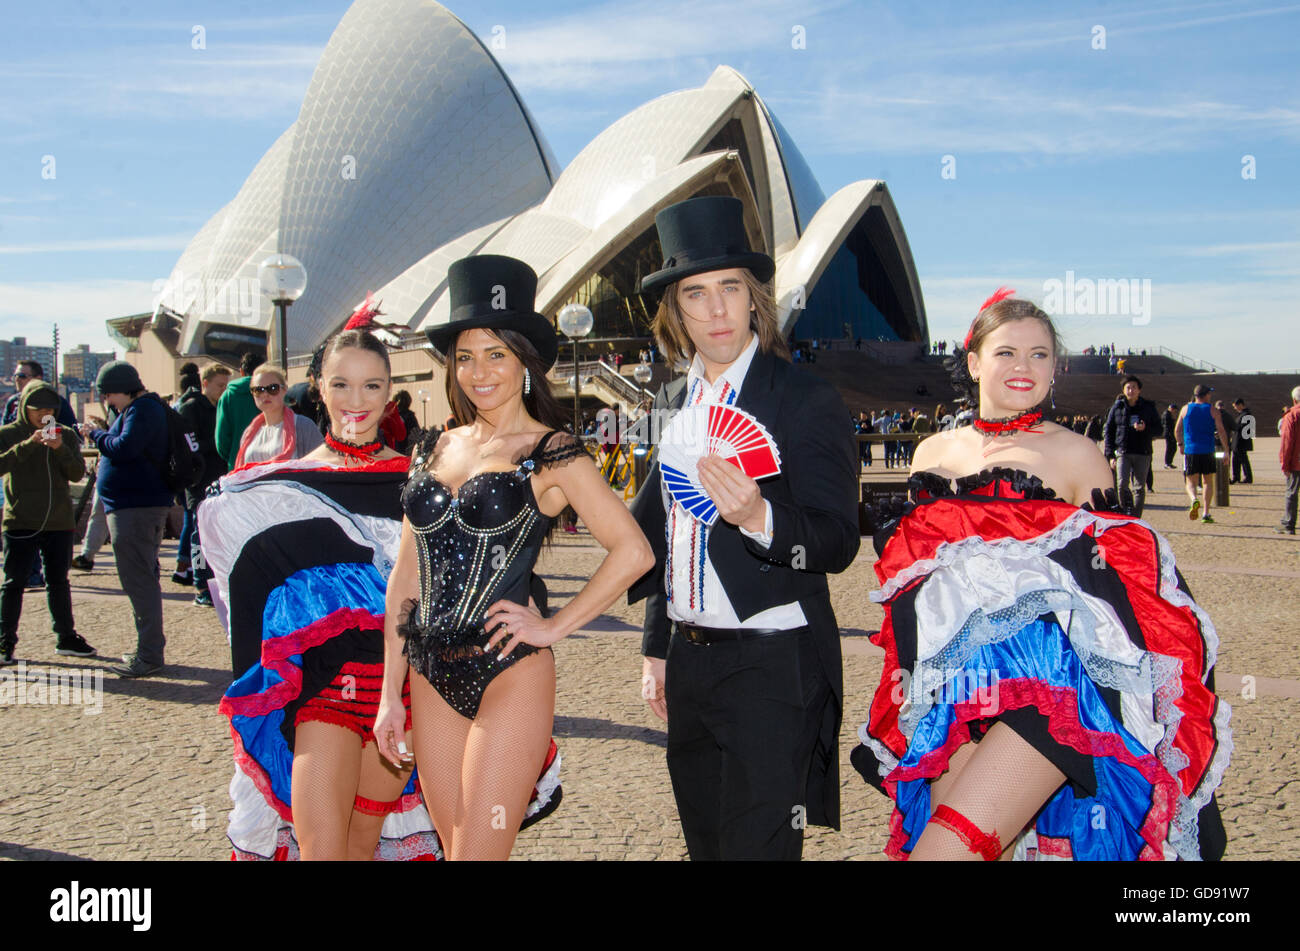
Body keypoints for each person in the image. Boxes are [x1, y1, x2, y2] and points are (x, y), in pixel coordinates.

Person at [852, 288, 1230, 861]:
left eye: (1039, 355)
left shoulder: (1079, 456)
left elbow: (1125, 583)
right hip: (953, 694)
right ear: (974, 361)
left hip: (1052, 690)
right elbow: (912, 593)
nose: (1023, 367)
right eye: (1006, 353)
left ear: (1056, 369)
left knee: (942, 853)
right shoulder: (932, 454)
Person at [374, 254, 653, 860]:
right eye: (466, 355)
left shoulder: (551, 452)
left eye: (497, 354)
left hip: (510, 670)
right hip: (428, 670)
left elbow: (633, 550)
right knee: (455, 850)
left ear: (526, 362)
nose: (480, 372)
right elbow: (404, 579)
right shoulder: (433, 447)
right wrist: (389, 694)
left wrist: (553, 624)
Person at [627, 196, 860, 860]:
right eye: (696, 294)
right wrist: (656, 647)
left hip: (772, 661)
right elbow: (667, 533)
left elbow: (839, 540)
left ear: (754, 298)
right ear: (676, 311)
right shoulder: (671, 402)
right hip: (689, 661)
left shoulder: (806, 399)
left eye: (730, 287)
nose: (717, 309)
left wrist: (759, 516)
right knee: (707, 847)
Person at [201, 327, 452, 860]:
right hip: (322, 695)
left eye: (371, 386)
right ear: (317, 386)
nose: (355, 402)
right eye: (341, 384)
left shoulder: (424, 483)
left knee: (362, 846)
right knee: (322, 849)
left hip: (401, 698)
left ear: (390, 391)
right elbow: (247, 592)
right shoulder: (278, 491)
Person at [77, 361, 174, 678]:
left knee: (139, 581)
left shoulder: (141, 410)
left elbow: (125, 448)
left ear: (120, 389)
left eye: (108, 395)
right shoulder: (139, 409)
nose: (107, 402)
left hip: (136, 508)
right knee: (141, 578)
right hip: (136, 506)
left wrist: (97, 434)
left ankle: (148, 655)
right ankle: (148, 648)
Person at [0, 381, 94, 665]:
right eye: (37, 409)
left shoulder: (64, 433)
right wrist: (28, 445)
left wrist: (59, 448)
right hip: (21, 519)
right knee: (14, 582)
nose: (45, 414)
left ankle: (66, 637)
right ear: (24, 409)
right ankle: (5, 642)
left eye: (50, 408)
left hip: (59, 521)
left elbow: (77, 473)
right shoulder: (8, 434)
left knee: (58, 582)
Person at [178, 363, 231, 606]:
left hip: (219, 479)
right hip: (198, 481)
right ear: (206, 384)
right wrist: (220, 441)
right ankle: (200, 582)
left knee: (218, 533)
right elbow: (191, 446)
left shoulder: (222, 407)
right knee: (199, 536)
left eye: (226, 385)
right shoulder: (190, 409)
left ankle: (216, 580)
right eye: (220, 385)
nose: (224, 390)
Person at [232, 365, 323, 468]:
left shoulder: (303, 426)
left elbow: (320, 465)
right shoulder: (249, 433)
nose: (265, 394)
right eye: (259, 390)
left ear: (284, 390)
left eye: (273, 388)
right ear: (252, 394)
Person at [1103, 375, 1161, 518]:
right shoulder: (1117, 407)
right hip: (1123, 451)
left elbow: (1159, 429)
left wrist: (1145, 429)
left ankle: (1136, 517)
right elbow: (1108, 431)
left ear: (1139, 390)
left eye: (1134, 387)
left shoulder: (1148, 407)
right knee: (1121, 484)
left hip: (1143, 451)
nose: (1131, 390)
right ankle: (1125, 514)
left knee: (1139, 487)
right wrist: (1110, 455)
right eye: (1128, 387)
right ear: (1123, 390)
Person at [1175, 384, 1230, 524]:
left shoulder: (1185, 409)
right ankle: (1206, 512)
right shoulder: (1213, 410)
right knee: (1207, 482)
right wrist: (1226, 450)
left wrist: (1180, 444)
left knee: (1190, 482)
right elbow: (1222, 431)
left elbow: (1177, 430)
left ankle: (1194, 499)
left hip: (1191, 450)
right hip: (1208, 450)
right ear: (1205, 395)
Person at [215, 351, 261, 469]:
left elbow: (222, 439)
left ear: (241, 371)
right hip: (269, 464)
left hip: (238, 465)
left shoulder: (228, 396)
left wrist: (232, 456)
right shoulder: (272, 392)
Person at [1277, 385, 1300, 535]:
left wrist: (1284, 463)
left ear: (1294, 399)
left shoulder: (1292, 415)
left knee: (1292, 493)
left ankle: (1289, 524)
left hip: (1297, 461)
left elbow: (1287, 442)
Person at [1229, 398, 1254, 484]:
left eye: (1235, 406)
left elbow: (1243, 429)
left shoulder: (1246, 414)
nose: (1235, 408)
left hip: (1241, 442)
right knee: (1236, 460)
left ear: (1240, 405)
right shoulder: (1243, 414)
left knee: (1243, 460)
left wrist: (1232, 426)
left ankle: (1248, 477)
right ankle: (1236, 477)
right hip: (1238, 441)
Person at [1161, 403, 1178, 469]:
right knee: (1170, 448)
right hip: (1169, 434)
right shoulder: (1167, 415)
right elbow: (1167, 426)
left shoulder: (1168, 414)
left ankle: (1169, 462)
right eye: (1175, 410)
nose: (1175, 412)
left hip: (1169, 434)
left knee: (1172, 448)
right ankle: (1167, 463)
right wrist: (1171, 434)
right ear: (1171, 409)